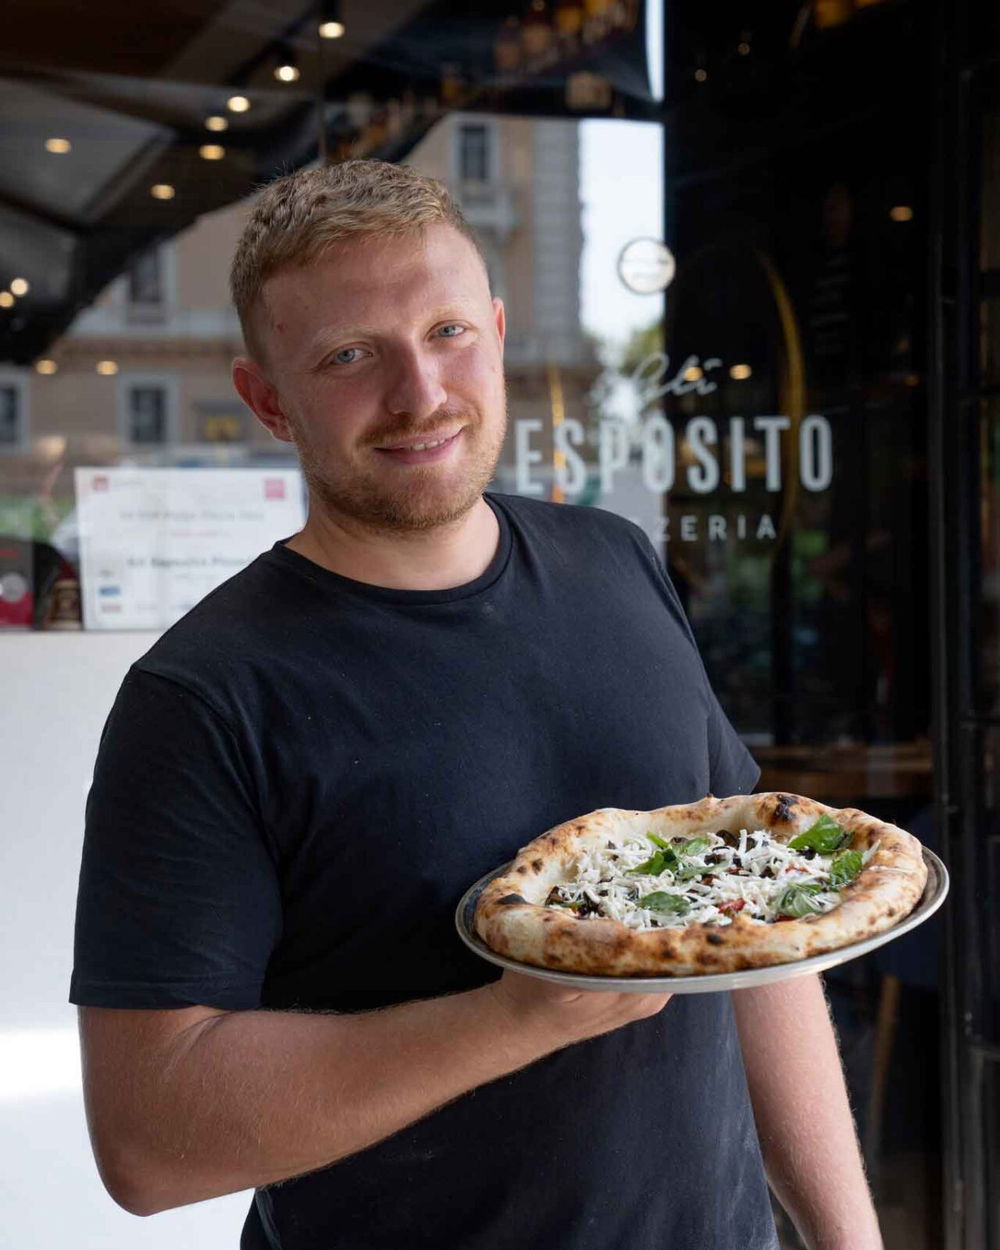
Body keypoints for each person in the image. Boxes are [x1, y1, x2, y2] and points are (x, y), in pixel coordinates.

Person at [71, 160, 882, 1250]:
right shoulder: (204, 696)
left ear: (496, 331)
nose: (419, 392)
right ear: (268, 398)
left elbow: (760, 944)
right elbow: (148, 1138)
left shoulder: (618, 564)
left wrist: (846, 1235)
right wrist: (513, 1016)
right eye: (350, 355)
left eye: (447, 331)